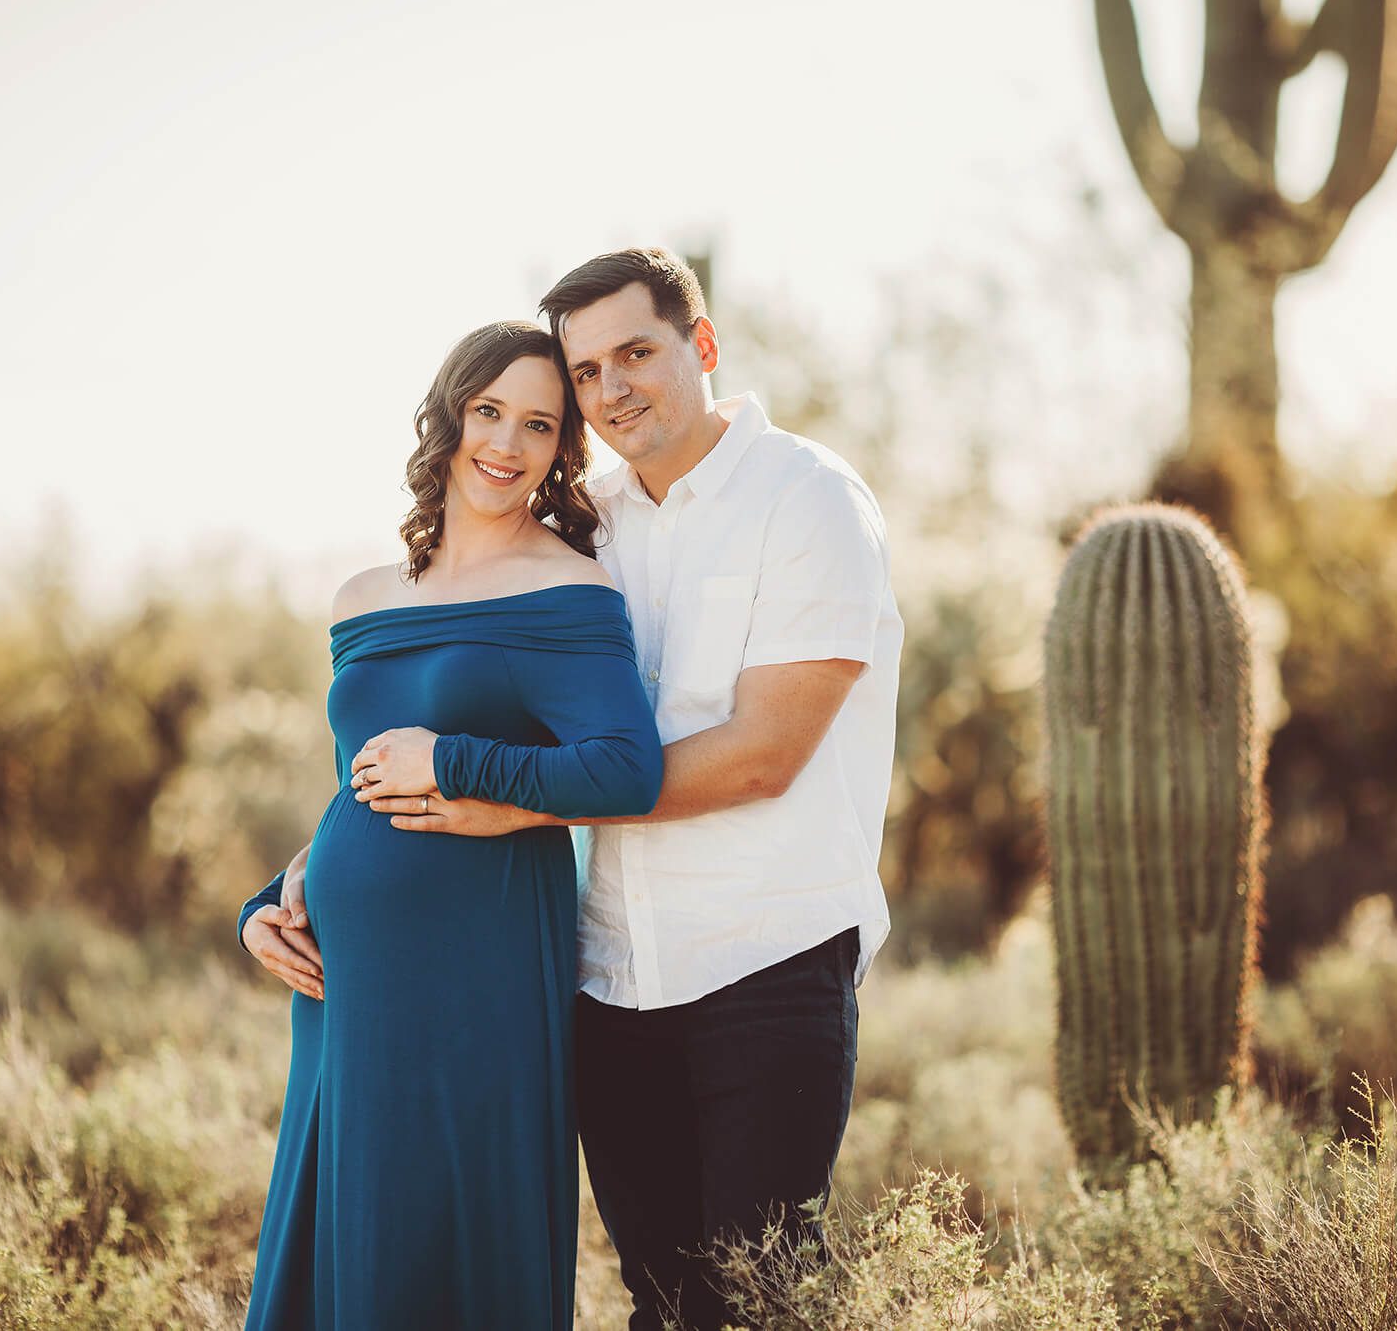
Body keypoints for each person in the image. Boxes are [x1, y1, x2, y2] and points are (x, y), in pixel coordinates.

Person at [268, 249, 904, 1329]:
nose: (612, 388)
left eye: (637, 353)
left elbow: (762, 754)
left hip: (766, 956)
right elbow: (447, 710)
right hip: (609, 974)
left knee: (756, 1300)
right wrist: (313, 867)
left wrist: (509, 797)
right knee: (654, 1298)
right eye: (589, 369)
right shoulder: (585, 524)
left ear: (699, 348)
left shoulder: (805, 500)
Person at [235, 320, 664, 1330]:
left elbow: (624, 768)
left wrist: (458, 759)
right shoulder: (362, 599)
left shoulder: (566, 589)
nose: (504, 445)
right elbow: (358, 787)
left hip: (475, 965)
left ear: (564, 450)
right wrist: (268, 903)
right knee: (347, 1228)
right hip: (343, 983)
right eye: (487, 413)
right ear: (449, 415)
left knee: (436, 1232)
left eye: (538, 425)